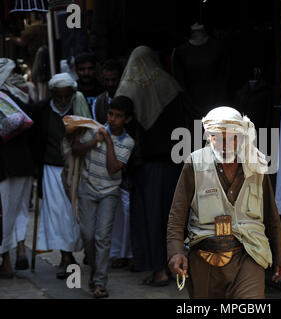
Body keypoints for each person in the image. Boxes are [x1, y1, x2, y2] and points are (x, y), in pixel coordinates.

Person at [167, 106, 281, 298]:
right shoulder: (195, 163)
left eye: (232, 137)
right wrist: (175, 252)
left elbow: (270, 214)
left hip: (248, 254)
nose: (225, 145)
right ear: (209, 137)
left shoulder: (256, 165)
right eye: (218, 138)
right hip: (204, 257)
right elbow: (178, 214)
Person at [114, 45, 197, 285]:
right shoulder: (169, 86)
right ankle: (176, 267)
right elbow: (188, 121)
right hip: (174, 166)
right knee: (173, 218)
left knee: (150, 220)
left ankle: (159, 271)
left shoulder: (127, 89)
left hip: (145, 168)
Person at [29, 73, 91, 279]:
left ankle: (85, 252)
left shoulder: (79, 106)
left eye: (66, 97)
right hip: (51, 168)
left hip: (78, 167)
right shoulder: (42, 110)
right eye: (59, 97)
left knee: (77, 213)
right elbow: (35, 139)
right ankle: (66, 257)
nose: (63, 101)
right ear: (52, 94)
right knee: (58, 214)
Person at [72, 96, 135, 298]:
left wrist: (107, 141)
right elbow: (76, 149)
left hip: (109, 192)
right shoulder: (94, 129)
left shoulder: (127, 141)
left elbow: (114, 168)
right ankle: (93, 268)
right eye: (110, 114)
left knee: (102, 237)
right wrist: (95, 141)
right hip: (88, 188)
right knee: (88, 234)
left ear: (127, 119)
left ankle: (100, 282)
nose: (113, 119)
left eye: (118, 116)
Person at [0, 58, 34, 277]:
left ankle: (6, 260)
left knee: (4, 211)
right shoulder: (23, 95)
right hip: (24, 163)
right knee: (20, 208)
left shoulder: (5, 99)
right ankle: (21, 248)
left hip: (3, 166)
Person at [92, 59, 123, 124]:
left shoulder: (130, 98)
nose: (110, 84)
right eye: (107, 80)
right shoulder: (98, 102)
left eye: (114, 80)